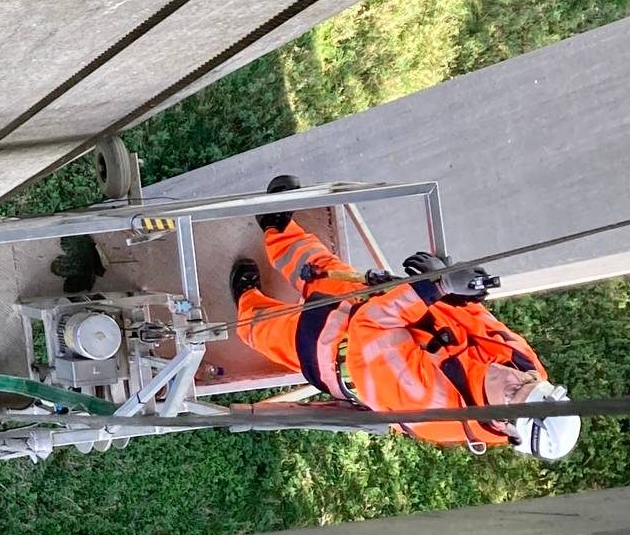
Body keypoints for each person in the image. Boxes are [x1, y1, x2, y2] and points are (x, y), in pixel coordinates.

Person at [230, 178, 580, 459]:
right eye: (528, 379)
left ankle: (245, 299)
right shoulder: (524, 366)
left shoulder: (434, 406)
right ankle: (277, 228)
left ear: (503, 425)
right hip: (394, 310)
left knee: (268, 329)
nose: (514, 376)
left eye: (514, 391)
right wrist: (458, 291)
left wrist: (433, 287)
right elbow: (478, 322)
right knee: (322, 271)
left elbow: (371, 330)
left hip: (338, 352)